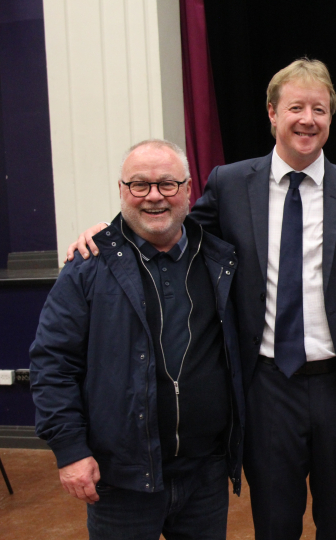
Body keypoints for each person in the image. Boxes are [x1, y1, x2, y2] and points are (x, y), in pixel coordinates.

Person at [65, 58, 336, 540]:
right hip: (265, 387)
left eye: (319, 109)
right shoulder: (229, 183)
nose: (308, 119)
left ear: (330, 118)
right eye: (296, 107)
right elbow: (169, 227)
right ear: (271, 113)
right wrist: (109, 230)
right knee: (275, 522)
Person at [30, 139, 245, 539]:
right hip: (122, 481)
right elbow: (52, 364)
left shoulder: (221, 260)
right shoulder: (88, 267)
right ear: (121, 190)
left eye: (166, 184)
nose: (153, 197)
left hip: (204, 475)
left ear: (188, 190)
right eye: (139, 185)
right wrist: (70, 450)